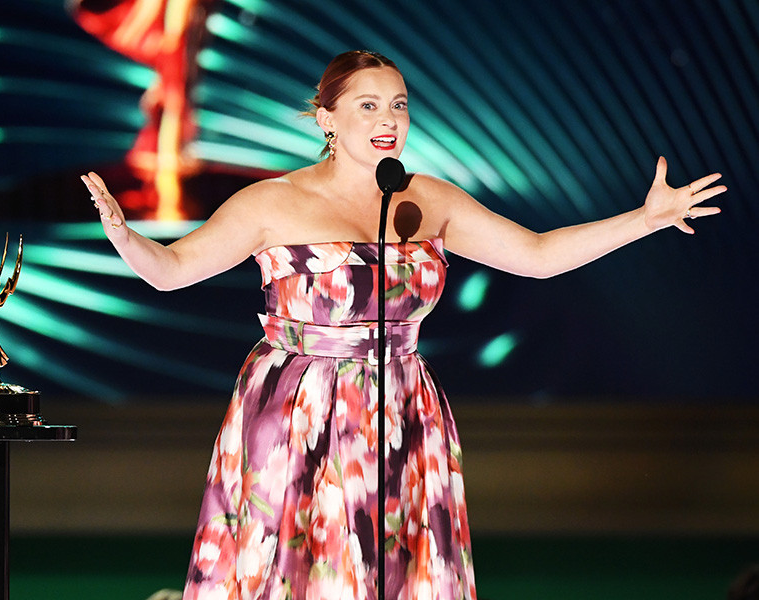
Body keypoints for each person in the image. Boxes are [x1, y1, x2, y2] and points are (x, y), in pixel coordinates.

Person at [81, 50, 725, 600]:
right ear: (327, 118)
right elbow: (170, 271)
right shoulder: (271, 201)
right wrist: (124, 236)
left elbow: (536, 255)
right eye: (368, 106)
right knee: (294, 567)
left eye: (399, 105)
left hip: (402, 407)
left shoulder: (428, 198)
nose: (389, 120)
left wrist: (642, 221)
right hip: (296, 410)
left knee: (398, 566)